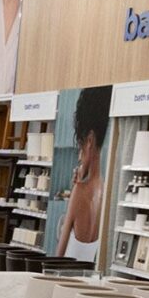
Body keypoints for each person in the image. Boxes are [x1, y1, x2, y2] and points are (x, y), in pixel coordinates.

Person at [61, 85, 110, 262]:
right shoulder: (107, 191)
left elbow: (59, 256)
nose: (79, 156)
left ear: (89, 140)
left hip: (67, 282)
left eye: (80, 144)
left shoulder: (80, 192)